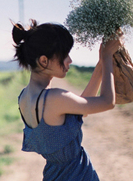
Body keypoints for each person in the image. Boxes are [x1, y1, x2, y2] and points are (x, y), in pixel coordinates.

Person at [12, 19, 124, 181]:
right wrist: (107, 57)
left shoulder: (24, 96)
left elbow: (81, 109)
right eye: (64, 55)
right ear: (44, 61)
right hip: (77, 176)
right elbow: (107, 102)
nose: (70, 60)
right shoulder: (55, 98)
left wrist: (100, 64)